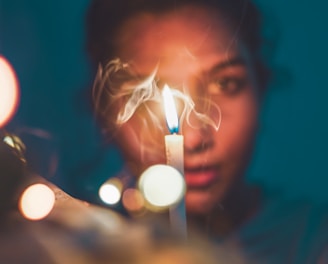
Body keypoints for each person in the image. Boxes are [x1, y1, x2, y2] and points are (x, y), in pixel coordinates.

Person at [85, 0, 328, 263]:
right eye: (146, 97)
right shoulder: (74, 248)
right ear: (105, 112)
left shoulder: (315, 243)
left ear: (262, 88)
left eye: (225, 84)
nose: (192, 138)